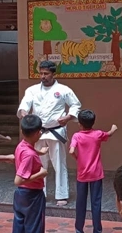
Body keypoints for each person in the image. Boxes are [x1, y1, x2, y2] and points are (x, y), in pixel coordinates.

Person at [17, 60, 81, 206]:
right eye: (41, 73)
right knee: (39, 164)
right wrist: (25, 113)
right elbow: (24, 105)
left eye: (46, 73)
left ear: (53, 74)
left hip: (56, 131)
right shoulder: (32, 90)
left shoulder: (63, 90)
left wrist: (68, 117)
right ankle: (41, 191)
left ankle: (61, 195)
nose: (43, 76)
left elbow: (76, 105)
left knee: (59, 163)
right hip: (38, 132)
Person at [11, 115, 51, 233]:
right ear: (37, 133)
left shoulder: (22, 146)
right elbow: (18, 180)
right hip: (32, 196)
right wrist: (40, 174)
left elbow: (27, 153)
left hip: (20, 197)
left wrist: (39, 152)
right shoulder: (29, 154)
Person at [69, 109, 117, 233]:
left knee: (80, 203)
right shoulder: (97, 134)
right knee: (96, 203)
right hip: (96, 173)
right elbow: (109, 133)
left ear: (80, 124)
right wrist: (114, 128)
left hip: (82, 174)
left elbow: (71, 150)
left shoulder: (77, 136)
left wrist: (77, 158)